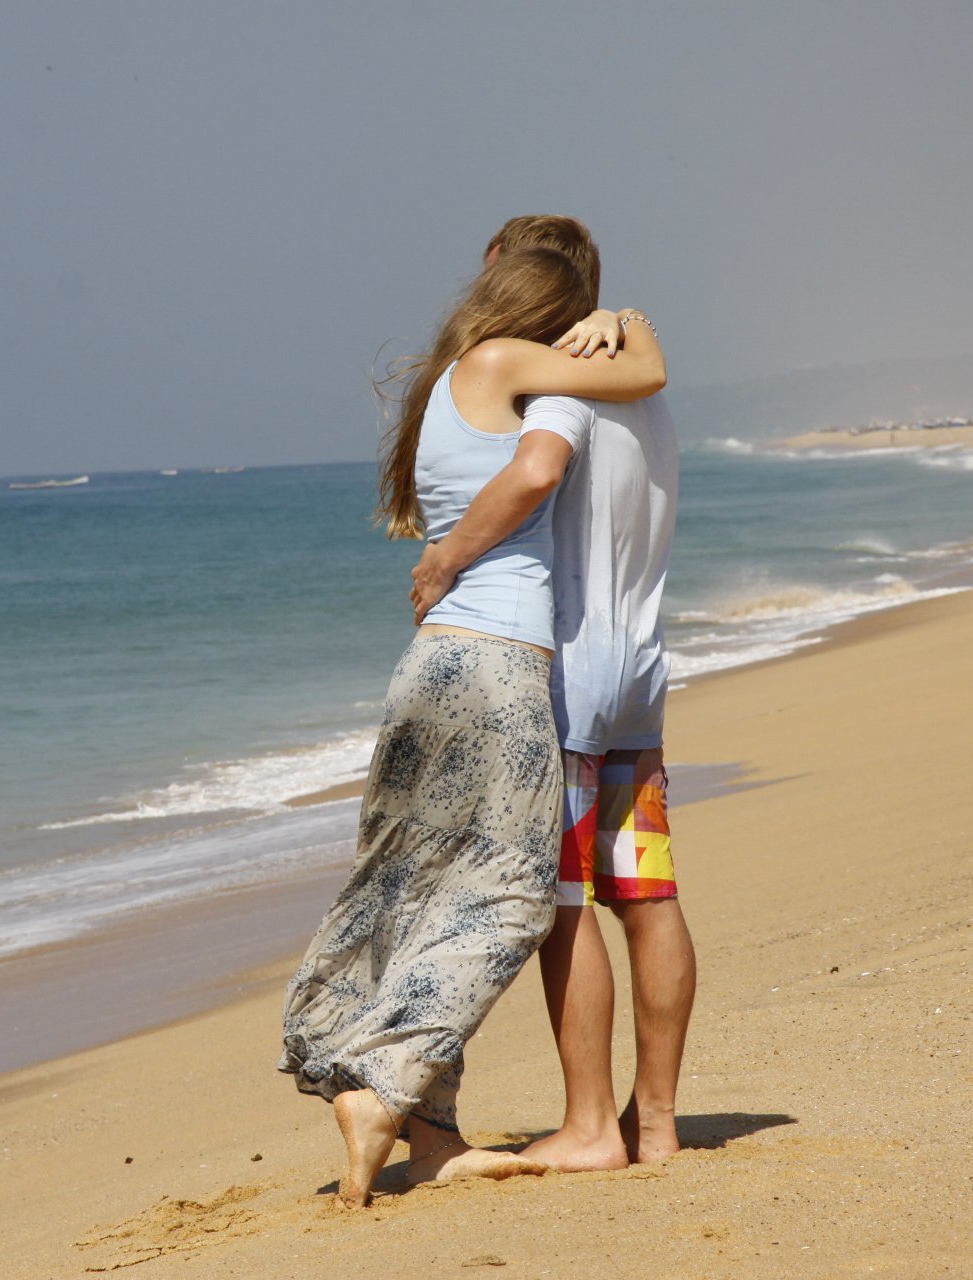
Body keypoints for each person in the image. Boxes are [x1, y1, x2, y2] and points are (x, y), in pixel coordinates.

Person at [279, 244, 667, 1208]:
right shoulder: (512, 366)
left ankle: (428, 1136)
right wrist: (625, 321)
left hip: (434, 666)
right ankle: (382, 1088)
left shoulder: (459, 377)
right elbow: (580, 436)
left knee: (412, 886)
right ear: (554, 310)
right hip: (498, 667)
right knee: (510, 895)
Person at [410, 216, 696, 1171]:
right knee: (648, 893)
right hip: (643, 673)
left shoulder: (555, 387)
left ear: (512, 273)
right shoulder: (645, 393)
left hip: (568, 669)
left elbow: (533, 476)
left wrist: (448, 557)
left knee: (565, 904)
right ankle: (653, 1122)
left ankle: (587, 1127)